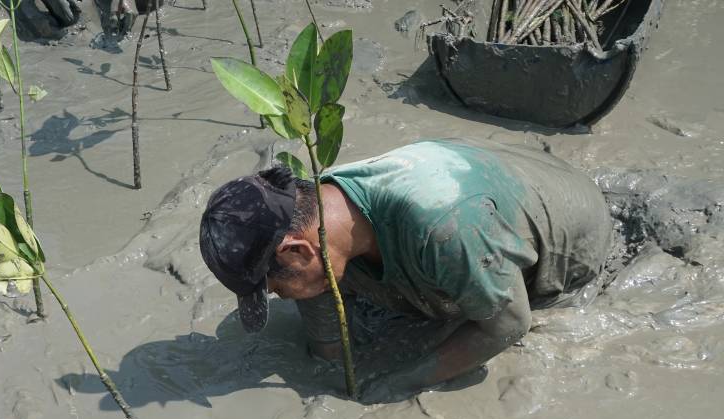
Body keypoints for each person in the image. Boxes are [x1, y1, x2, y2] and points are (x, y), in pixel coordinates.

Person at [199, 138, 612, 399]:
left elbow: (508, 325)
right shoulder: (320, 210)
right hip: (502, 174)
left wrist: (402, 382)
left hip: (574, 234)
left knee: (482, 309)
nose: (278, 296)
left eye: (274, 289)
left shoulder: (442, 229)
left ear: (296, 251)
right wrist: (326, 359)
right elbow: (318, 287)